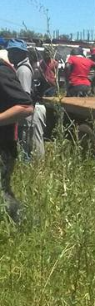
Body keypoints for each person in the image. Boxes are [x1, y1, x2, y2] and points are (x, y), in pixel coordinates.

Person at [0, 56, 34, 222]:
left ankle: (24, 225)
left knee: (2, 193)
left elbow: (26, 107)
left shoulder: (1, 71)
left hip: (2, 146)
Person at [7, 39, 46, 160]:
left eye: (14, 52)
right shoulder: (22, 67)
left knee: (26, 148)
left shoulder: (23, 70)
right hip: (27, 114)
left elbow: (24, 97)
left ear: (22, 54)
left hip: (26, 117)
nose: (10, 55)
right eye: (9, 52)